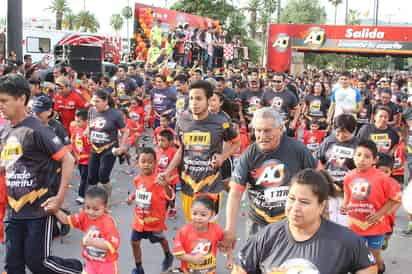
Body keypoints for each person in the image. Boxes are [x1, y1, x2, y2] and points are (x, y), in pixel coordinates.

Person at [0, 73, 83, 273]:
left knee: (38, 263)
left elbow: (68, 159)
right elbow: (6, 166)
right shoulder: (5, 132)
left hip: (39, 210)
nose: (1, 106)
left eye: (4, 101)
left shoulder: (37, 129)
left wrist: (59, 199)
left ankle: (79, 271)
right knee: (13, 266)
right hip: (14, 211)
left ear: (21, 98)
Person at [233, 169, 377, 274]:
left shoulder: (344, 240)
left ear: (321, 206)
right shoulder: (267, 235)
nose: (295, 207)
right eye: (291, 198)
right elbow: (240, 269)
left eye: (304, 202)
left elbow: (369, 268)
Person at [222, 107, 316, 251]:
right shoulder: (249, 155)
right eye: (258, 130)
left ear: (280, 129)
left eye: (267, 131)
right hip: (258, 223)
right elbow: (235, 194)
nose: (261, 135)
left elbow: (319, 180)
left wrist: (318, 218)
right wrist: (230, 229)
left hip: (291, 223)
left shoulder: (298, 149)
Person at [158, 80, 240, 222]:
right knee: (193, 226)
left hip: (211, 185)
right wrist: (167, 171)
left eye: (199, 99)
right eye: (191, 98)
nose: (194, 103)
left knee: (207, 227)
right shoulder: (182, 121)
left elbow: (236, 142)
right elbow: (181, 150)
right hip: (188, 183)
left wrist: (222, 157)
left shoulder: (221, 122)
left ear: (209, 100)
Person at [342, 140, 401, 274]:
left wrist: (380, 213)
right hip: (355, 225)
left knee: (374, 256)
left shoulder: (382, 178)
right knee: (356, 256)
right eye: (359, 155)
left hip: (376, 226)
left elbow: (395, 199)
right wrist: (345, 205)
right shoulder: (349, 176)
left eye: (367, 157)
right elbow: (348, 193)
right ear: (353, 156)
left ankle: (380, 268)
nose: (361, 159)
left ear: (375, 159)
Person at [127, 147, 174, 274]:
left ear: (155, 163)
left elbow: (170, 196)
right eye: (143, 161)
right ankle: (139, 267)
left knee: (161, 239)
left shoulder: (159, 180)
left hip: (154, 221)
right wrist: (132, 197)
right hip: (139, 220)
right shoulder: (137, 179)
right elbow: (139, 192)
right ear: (138, 163)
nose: (146, 164)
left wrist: (166, 186)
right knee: (134, 241)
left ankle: (168, 255)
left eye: (150, 162)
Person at [52, 186, 120, 274]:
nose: (91, 212)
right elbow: (66, 219)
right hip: (90, 263)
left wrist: (91, 242)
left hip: (107, 265)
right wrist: (55, 210)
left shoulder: (108, 222)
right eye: (88, 207)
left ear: (105, 207)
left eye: (96, 209)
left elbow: (112, 244)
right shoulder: (84, 216)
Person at [173, 195, 233, 273]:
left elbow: (227, 243)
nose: (198, 217)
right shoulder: (183, 232)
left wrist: (229, 259)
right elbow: (177, 254)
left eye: (203, 215)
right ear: (190, 211)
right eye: (194, 213)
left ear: (212, 215)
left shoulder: (216, 230)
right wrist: (192, 259)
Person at [88, 90, 128, 200]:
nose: (94, 104)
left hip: (109, 149)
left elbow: (125, 131)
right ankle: (92, 200)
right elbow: (89, 125)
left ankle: (107, 198)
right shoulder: (91, 110)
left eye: (97, 101)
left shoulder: (116, 114)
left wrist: (122, 147)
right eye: (93, 101)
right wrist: (87, 133)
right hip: (94, 148)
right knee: (91, 178)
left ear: (105, 101)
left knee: (103, 177)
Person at [318, 113, 359, 186]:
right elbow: (319, 160)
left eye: (345, 132)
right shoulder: (328, 141)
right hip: (329, 182)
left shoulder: (358, 145)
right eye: (338, 131)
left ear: (352, 131)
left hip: (350, 183)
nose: (341, 135)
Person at [375, 153, 401, 250]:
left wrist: (390, 212)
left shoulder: (394, 184)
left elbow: (398, 201)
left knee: (387, 233)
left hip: (388, 217)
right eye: (380, 171)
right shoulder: (370, 182)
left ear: (391, 171)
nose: (383, 174)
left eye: (386, 172)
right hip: (374, 215)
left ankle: (385, 239)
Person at [156, 129, 180, 219]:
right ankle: (162, 210)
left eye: (162, 140)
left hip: (171, 179)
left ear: (170, 142)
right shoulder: (157, 150)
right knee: (161, 196)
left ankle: (173, 207)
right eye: (158, 140)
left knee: (170, 196)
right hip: (160, 178)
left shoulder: (174, 151)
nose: (160, 143)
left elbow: (177, 164)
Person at [70, 109, 91, 204]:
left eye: (79, 121)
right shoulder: (75, 129)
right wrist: (74, 156)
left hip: (88, 160)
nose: (76, 123)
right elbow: (73, 142)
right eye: (76, 120)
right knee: (84, 177)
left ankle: (81, 195)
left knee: (84, 178)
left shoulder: (89, 132)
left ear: (86, 121)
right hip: (79, 159)